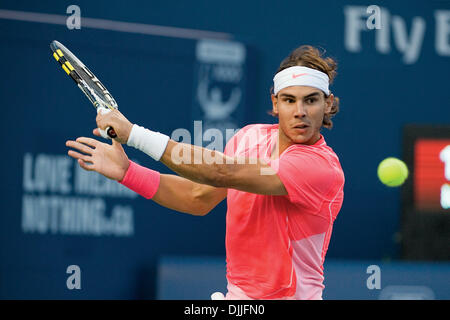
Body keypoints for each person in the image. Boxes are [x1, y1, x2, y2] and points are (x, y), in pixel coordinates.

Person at [66, 45, 345, 300]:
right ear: (274, 103)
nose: (300, 112)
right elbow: (197, 197)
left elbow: (222, 172)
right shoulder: (249, 138)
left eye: (311, 100)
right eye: (289, 100)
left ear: (328, 104)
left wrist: (135, 135)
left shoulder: (320, 167)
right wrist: (128, 172)